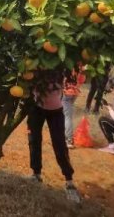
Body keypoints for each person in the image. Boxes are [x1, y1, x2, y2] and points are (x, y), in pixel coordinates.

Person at [26, 70, 81, 203]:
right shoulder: (35, 67)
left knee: (60, 145)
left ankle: (69, 181)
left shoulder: (60, 69)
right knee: (34, 141)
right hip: (37, 109)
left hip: (56, 111)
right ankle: (36, 173)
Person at [63, 63, 86, 148]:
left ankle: (69, 140)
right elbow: (82, 80)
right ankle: (64, 135)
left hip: (66, 93)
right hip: (74, 93)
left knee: (67, 116)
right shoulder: (81, 67)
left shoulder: (66, 64)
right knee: (65, 114)